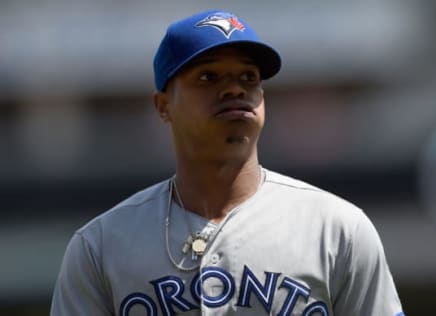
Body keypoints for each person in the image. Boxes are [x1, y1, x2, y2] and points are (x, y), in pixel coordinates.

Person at [50, 9, 405, 316]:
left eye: (248, 77)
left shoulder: (337, 229)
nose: (235, 89)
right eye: (208, 77)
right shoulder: (101, 246)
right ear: (163, 105)